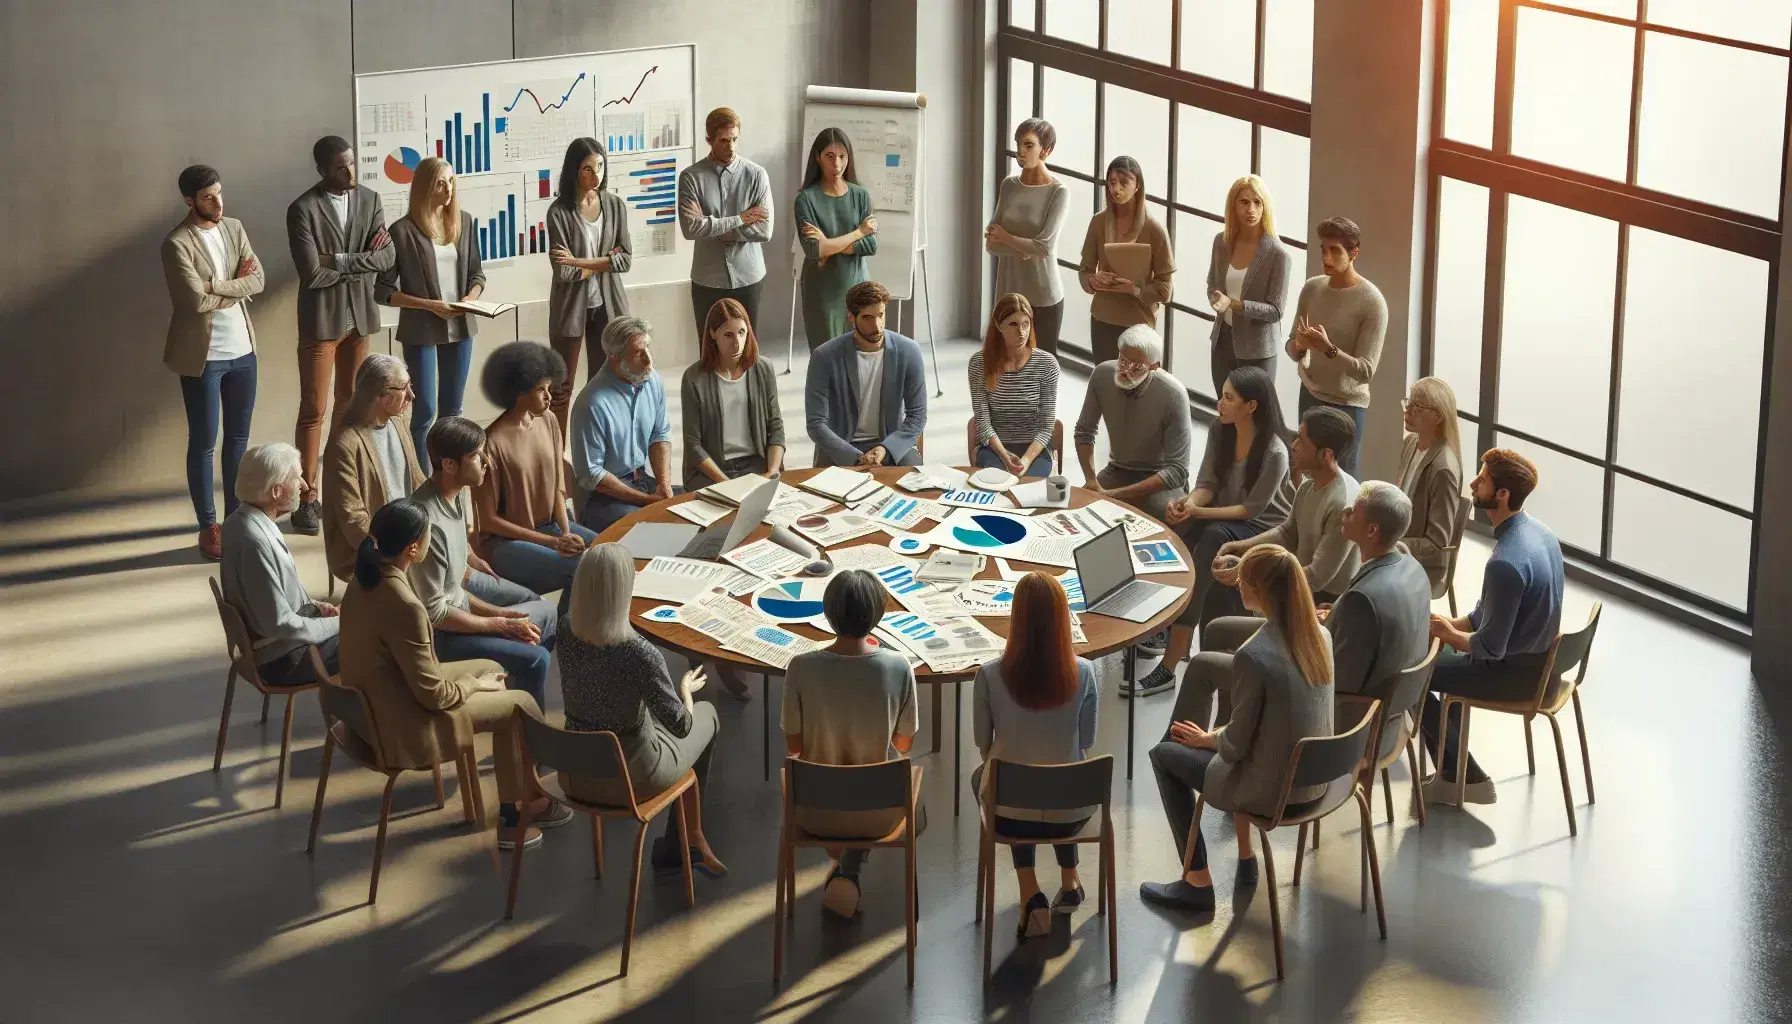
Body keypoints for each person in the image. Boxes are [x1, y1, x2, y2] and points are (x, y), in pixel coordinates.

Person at [340, 499, 570, 852]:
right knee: (518, 703)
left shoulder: (363, 582)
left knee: (495, 669)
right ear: (413, 549)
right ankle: (517, 812)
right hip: (402, 722)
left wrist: (481, 677)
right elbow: (435, 695)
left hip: (372, 703)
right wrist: (473, 685)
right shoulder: (406, 605)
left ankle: (521, 784)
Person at [1139, 545, 1335, 912]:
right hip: (1316, 781)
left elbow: (1235, 747)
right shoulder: (1319, 636)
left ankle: (1197, 882)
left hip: (1270, 791)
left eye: (1243, 579)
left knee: (1164, 756)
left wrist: (1206, 739)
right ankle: (1246, 858)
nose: (1237, 585)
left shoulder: (1254, 656)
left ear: (1259, 591)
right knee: (1201, 741)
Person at [557, 544, 727, 878]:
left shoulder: (565, 630)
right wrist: (685, 693)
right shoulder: (639, 654)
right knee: (708, 717)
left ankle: (685, 841)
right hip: (628, 775)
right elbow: (681, 725)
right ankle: (680, 845)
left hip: (574, 771)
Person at [1131, 366, 1292, 697]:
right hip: (1220, 512)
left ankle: (1171, 660)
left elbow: (1250, 510)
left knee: (1214, 536)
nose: (1220, 403)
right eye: (1222, 395)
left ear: (1252, 406)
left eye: (1229, 398)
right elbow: (1207, 483)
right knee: (1173, 527)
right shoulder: (1221, 430)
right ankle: (1160, 621)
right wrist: (1189, 502)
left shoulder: (1275, 452)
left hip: (1257, 527)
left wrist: (1198, 510)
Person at [1421, 449, 1563, 806]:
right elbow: (1486, 614)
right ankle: (1450, 766)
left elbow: (1489, 646)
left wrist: (1445, 634)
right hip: (1543, 662)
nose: (1473, 482)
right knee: (1429, 653)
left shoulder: (1505, 562)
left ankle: (1464, 776)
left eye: (1481, 479)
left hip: (1515, 672)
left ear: (1501, 495)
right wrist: (1445, 625)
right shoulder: (1539, 533)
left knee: (1411, 675)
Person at [782, 570, 921, 919]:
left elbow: (794, 745)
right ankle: (849, 870)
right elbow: (903, 743)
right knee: (915, 808)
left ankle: (845, 870)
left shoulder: (800, 667)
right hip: (879, 815)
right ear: (877, 615)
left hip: (814, 811)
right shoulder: (898, 666)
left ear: (828, 614)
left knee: (840, 789)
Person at [971, 573, 1100, 939]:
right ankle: (1070, 880)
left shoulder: (989, 675)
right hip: (1070, 814)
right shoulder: (1086, 672)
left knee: (995, 777)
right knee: (1064, 771)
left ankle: (1031, 894)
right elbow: (1087, 740)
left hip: (1010, 814)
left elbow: (983, 745)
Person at [409, 416, 558, 710]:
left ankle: (516, 701)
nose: (486, 461)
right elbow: (436, 614)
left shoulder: (453, 493)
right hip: (441, 635)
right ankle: (529, 743)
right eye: (476, 456)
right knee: (537, 657)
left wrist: (501, 617)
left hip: (458, 600)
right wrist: (498, 623)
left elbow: (456, 587)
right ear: (450, 465)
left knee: (542, 611)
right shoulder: (429, 524)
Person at [286, 135, 394, 535]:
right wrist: (361, 263)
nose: (349, 173)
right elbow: (312, 273)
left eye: (352, 164)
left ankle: (338, 485)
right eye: (340, 168)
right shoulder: (302, 210)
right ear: (321, 170)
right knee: (314, 410)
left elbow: (387, 258)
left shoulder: (370, 199)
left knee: (349, 404)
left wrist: (342, 260)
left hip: (359, 319)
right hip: (322, 320)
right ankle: (306, 498)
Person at [161, 164, 264, 559]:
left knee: (238, 440)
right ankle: (209, 527)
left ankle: (236, 520)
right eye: (208, 197)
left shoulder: (234, 228)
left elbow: (258, 280)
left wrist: (216, 287)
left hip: (243, 350)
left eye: (220, 193)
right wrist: (234, 289)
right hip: (204, 357)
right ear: (190, 201)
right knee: (204, 442)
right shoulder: (176, 243)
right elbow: (191, 301)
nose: (218, 202)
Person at [375, 155, 486, 459]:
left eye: (451, 181)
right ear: (425, 186)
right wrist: (428, 305)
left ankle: (448, 472)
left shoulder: (463, 221)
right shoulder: (401, 231)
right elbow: (383, 291)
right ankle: (421, 479)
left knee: (453, 410)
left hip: (461, 325)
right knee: (424, 410)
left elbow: (477, 274)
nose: (448, 188)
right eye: (440, 182)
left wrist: (470, 299)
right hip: (420, 328)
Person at [472, 342, 598, 605]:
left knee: (606, 552)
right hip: (504, 543)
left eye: (549, 388)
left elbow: (557, 488)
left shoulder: (549, 421)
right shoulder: (491, 443)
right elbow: (489, 520)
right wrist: (552, 543)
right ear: (518, 392)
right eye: (540, 390)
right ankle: (572, 635)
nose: (549, 397)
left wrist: (564, 533)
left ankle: (575, 627)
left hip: (550, 526)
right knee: (582, 567)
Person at [219, 443, 340, 684]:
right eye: (297, 478)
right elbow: (280, 624)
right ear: (275, 491)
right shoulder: (256, 541)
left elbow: (266, 598)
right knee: (376, 640)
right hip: (284, 659)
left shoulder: (238, 522)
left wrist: (313, 606)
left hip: (277, 646)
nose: (304, 486)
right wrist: (337, 624)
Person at [1326, 482, 1432, 737]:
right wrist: (1337, 617)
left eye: (1354, 509)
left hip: (1352, 727)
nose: (1346, 510)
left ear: (1372, 530)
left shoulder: (1362, 600)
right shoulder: (1413, 568)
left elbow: (1337, 682)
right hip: (1392, 719)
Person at [1285, 216, 1387, 475]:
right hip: (1309, 395)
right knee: (1307, 475)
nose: (1327, 258)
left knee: (1343, 481)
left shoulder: (1372, 302)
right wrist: (1299, 346)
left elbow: (1365, 371)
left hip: (1347, 406)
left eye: (1335, 251)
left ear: (1354, 253)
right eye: (1323, 249)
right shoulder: (1312, 288)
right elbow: (1291, 348)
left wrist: (1327, 348)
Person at [546, 137, 632, 440]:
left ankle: (597, 447)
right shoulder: (558, 212)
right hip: (571, 310)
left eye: (600, 167)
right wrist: (605, 260)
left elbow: (625, 260)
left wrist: (583, 261)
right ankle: (557, 457)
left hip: (608, 307)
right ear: (574, 171)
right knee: (561, 388)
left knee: (602, 382)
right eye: (587, 169)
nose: (596, 176)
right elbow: (564, 270)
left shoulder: (615, 205)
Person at [1071, 325, 1192, 520]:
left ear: (1154, 366)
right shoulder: (1102, 375)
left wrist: (1115, 495)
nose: (1125, 370)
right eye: (1122, 360)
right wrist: (1091, 479)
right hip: (1117, 470)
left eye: (1136, 365)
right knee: (1082, 513)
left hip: (1158, 480)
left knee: (1175, 519)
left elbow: (1177, 471)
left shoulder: (1174, 394)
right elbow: (1084, 431)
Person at [322, 354, 426, 582]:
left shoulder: (398, 422)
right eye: (403, 388)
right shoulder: (345, 444)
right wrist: (395, 557)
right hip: (375, 553)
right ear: (380, 395)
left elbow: (418, 481)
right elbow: (353, 519)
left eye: (410, 386)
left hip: (409, 541)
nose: (411, 395)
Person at [805, 281, 929, 468]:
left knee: (916, 487)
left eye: (880, 315)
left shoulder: (909, 351)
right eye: (868, 317)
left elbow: (917, 415)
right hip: (841, 446)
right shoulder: (824, 356)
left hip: (891, 443)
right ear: (851, 318)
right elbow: (816, 423)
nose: (877, 326)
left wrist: (885, 449)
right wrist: (855, 457)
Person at [569, 315, 677, 532]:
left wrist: (664, 486)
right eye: (639, 352)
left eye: (648, 347)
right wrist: (647, 501)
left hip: (642, 481)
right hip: (603, 498)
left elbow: (659, 434)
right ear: (613, 357)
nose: (649, 360)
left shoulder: (652, 379)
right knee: (650, 529)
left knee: (693, 506)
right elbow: (593, 475)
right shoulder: (591, 404)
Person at [679, 107, 774, 334]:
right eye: (723, 140)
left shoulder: (757, 174)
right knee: (709, 350)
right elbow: (691, 228)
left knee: (747, 349)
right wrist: (740, 219)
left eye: (734, 139)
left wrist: (717, 229)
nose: (730, 147)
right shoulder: (691, 177)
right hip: (708, 281)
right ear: (709, 140)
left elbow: (765, 230)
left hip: (749, 277)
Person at [681, 297, 787, 490]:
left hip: (756, 465)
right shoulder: (693, 378)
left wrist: (772, 470)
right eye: (728, 335)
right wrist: (728, 486)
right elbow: (693, 444)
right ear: (713, 334)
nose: (737, 343)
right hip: (712, 472)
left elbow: (775, 426)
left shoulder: (763, 368)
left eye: (741, 332)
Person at [1077, 155, 1173, 364]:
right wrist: (1094, 280)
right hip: (1102, 318)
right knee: (1104, 378)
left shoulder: (1154, 230)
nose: (1116, 189)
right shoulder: (1098, 222)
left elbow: (1165, 290)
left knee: (1136, 385)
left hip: (1138, 323)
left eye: (1124, 182)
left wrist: (1135, 289)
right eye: (1112, 182)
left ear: (1137, 185)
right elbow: (1084, 271)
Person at [986, 118, 1069, 353]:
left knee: (1042, 367)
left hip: (1043, 294)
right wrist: (1023, 247)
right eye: (1018, 143)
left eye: (1028, 145)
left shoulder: (1058, 192)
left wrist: (1007, 238)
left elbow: (1044, 248)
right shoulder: (1009, 185)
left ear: (1047, 150)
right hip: (1008, 293)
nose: (1020, 151)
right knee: (1004, 362)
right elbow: (991, 243)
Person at [1204, 175, 1291, 398]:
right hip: (1223, 343)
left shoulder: (1277, 254)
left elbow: (1275, 311)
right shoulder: (1221, 243)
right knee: (1225, 412)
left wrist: (1237, 305)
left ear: (1265, 207)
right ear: (1233, 205)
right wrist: (1215, 298)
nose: (1251, 209)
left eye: (1257, 202)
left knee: (1254, 421)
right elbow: (1213, 283)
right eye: (1244, 202)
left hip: (1258, 351)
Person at [795, 127, 878, 349]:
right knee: (826, 354)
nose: (837, 164)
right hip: (822, 291)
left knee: (860, 352)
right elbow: (814, 250)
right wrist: (859, 232)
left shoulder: (861, 195)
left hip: (857, 286)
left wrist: (828, 245)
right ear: (818, 158)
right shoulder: (805, 199)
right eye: (829, 157)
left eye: (842, 156)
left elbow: (871, 245)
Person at [968, 293, 1060, 479]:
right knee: (997, 485)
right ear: (998, 325)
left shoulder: (1047, 365)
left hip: (1034, 450)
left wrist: (1025, 460)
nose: (1022, 332)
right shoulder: (979, 363)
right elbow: (983, 422)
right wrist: (1004, 455)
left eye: (1026, 324)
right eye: (1013, 324)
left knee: (1029, 488)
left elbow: (1046, 426)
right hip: (994, 448)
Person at [1397, 376, 1466, 596]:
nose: (1407, 411)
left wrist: (1390, 543)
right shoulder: (1410, 443)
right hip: (1399, 543)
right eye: (1408, 403)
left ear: (1437, 416)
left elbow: (1437, 546)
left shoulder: (1443, 468)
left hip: (1422, 565)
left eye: (1416, 407)